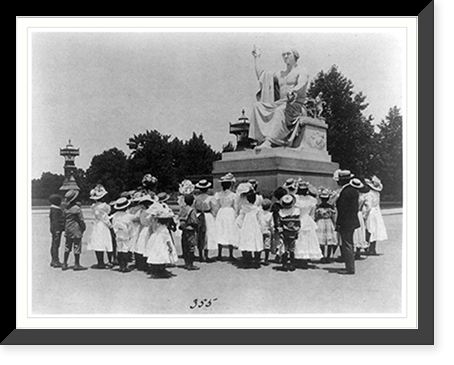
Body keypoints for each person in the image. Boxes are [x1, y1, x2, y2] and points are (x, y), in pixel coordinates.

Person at [249, 45, 310, 149]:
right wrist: (257, 58)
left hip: (296, 106)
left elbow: (302, 83)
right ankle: (260, 140)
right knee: (257, 106)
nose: (286, 56)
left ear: (295, 56)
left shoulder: (302, 70)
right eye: (283, 54)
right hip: (281, 103)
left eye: (288, 54)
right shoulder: (280, 74)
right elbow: (262, 75)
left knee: (280, 111)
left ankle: (270, 142)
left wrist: (293, 90)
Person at [334, 170, 360, 275]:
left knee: (347, 244)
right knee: (349, 243)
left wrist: (339, 223)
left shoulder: (345, 192)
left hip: (346, 221)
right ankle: (349, 266)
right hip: (352, 220)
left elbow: (342, 209)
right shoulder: (353, 190)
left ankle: (350, 268)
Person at [145, 203, 178, 279]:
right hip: (162, 244)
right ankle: (161, 271)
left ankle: (156, 271)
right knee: (162, 257)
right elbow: (167, 239)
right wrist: (170, 247)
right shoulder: (165, 229)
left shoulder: (157, 227)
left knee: (157, 256)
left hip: (156, 243)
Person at [294, 180, 323, 265]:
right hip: (308, 219)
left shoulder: (295, 198)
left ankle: (300, 256)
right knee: (308, 238)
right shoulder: (312, 200)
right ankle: (306, 256)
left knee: (300, 238)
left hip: (299, 218)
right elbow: (312, 214)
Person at [87, 185, 114, 269]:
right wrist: (110, 226)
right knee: (107, 241)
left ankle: (100, 262)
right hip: (103, 225)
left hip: (97, 225)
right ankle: (110, 261)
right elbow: (105, 217)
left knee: (98, 243)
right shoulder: (105, 206)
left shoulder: (93, 206)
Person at [235, 190, 264, 268]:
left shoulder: (244, 208)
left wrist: (241, 226)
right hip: (255, 227)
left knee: (246, 241)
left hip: (246, 227)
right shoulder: (257, 209)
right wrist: (262, 228)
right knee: (256, 241)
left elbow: (239, 220)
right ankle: (257, 261)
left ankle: (247, 260)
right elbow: (261, 220)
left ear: (247, 199)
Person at [214, 173, 238, 261]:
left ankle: (219, 253)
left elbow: (216, 206)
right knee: (230, 230)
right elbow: (235, 207)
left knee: (221, 230)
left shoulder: (218, 194)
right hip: (229, 212)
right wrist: (236, 215)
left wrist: (216, 214)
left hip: (221, 212)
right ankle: (230, 254)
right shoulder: (233, 195)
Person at [62, 189, 87, 271]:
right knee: (77, 246)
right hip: (76, 229)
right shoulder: (77, 208)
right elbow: (81, 220)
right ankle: (77, 264)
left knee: (67, 246)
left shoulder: (66, 208)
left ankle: (65, 263)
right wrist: (83, 228)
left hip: (68, 228)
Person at [363, 176, 388, 255]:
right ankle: (372, 248)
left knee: (369, 230)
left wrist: (364, 214)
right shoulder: (377, 193)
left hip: (371, 213)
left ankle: (368, 247)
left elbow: (368, 206)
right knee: (374, 230)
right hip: (376, 212)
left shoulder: (369, 194)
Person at [194, 180, 218, 262]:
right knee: (207, 234)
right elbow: (214, 209)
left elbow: (194, 208)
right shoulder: (210, 198)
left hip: (199, 215)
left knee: (200, 234)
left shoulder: (196, 198)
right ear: (207, 189)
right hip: (207, 216)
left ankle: (201, 254)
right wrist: (213, 215)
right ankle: (205, 255)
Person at [275, 194, 301, 271]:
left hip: (284, 232)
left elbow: (278, 223)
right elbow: (298, 223)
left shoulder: (281, 212)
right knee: (292, 248)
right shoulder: (296, 211)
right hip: (293, 232)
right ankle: (292, 264)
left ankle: (285, 264)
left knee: (285, 248)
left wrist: (280, 230)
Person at [314, 187, 338, 263]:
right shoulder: (330, 207)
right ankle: (328, 256)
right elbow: (333, 216)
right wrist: (334, 224)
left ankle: (323, 256)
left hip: (320, 222)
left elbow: (316, 216)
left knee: (322, 241)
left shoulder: (318, 206)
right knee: (329, 240)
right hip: (328, 222)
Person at [111, 197, 134, 273]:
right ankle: (125, 266)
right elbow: (130, 226)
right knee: (125, 249)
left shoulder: (115, 215)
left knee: (119, 249)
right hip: (125, 234)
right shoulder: (128, 216)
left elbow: (113, 223)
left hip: (118, 233)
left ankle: (121, 265)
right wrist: (131, 235)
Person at [178, 193, 200, 271]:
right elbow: (194, 221)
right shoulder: (192, 210)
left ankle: (186, 263)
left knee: (185, 247)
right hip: (190, 230)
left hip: (184, 229)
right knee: (191, 247)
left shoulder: (183, 209)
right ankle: (190, 264)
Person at [134, 194, 155, 272]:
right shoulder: (150, 212)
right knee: (145, 245)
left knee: (141, 245)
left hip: (143, 228)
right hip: (147, 228)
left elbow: (135, 218)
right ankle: (145, 263)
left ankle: (141, 263)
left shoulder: (141, 211)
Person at [350, 178, 370, 260]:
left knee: (354, 232)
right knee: (360, 232)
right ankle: (358, 251)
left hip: (354, 213)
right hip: (360, 214)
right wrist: (365, 214)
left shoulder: (354, 195)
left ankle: (354, 251)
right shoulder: (362, 196)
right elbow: (368, 206)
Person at [270, 186, 288, 260]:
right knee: (283, 240)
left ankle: (278, 253)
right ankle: (282, 253)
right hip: (284, 224)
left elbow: (274, 215)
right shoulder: (286, 204)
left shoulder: (275, 205)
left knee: (278, 240)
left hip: (277, 224)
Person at [48, 193, 65, 268]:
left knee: (54, 244)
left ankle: (54, 260)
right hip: (56, 229)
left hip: (55, 229)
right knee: (56, 245)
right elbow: (55, 221)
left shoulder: (53, 209)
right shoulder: (56, 210)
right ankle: (55, 261)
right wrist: (58, 229)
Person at [259, 198, 274, 265]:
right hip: (267, 231)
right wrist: (272, 231)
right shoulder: (270, 214)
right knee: (267, 246)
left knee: (259, 245)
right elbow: (272, 224)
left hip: (260, 231)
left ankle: (258, 258)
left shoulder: (259, 214)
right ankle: (266, 259)